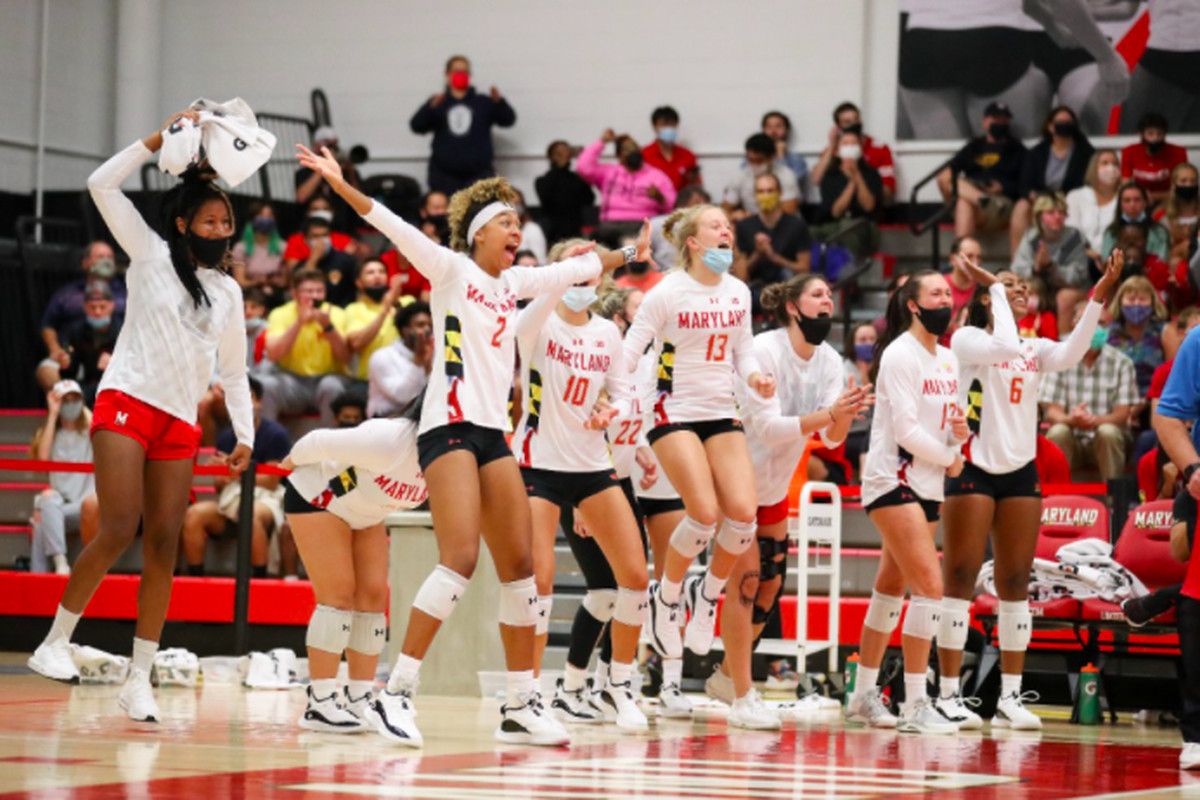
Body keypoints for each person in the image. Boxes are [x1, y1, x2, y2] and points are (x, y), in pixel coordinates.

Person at [295, 141, 651, 746]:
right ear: (481, 232)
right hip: (447, 428)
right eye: (508, 222)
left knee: (521, 571)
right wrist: (338, 182)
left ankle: (519, 704)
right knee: (458, 557)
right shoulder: (450, 269)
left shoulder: (513, 283)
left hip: (495, 434)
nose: (518, 229)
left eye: (520, 221)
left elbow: (578, 270)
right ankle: (395, 693)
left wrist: (626, 253)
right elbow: (389, 222)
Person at [26, 109, 255, 724]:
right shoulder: (149, 252)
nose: (220, 228)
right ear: (184, 223)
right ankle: (54, 642)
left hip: (179, 422)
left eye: (226, 221)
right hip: (125, 400)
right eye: (209, 219)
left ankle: (139, 678)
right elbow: (102, 184)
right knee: (119, 525)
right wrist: (156, 141)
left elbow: (233, 373)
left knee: (163, 545)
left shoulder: (229, 293)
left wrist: (245, 433)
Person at [936, 256, 1119, 731]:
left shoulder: (1031, 348)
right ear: (985, 297)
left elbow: (1073, 352)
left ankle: (1011, 699)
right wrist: (995, 286)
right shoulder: (968, 340)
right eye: (1008, 286)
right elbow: (1001, 344)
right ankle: (949, 695)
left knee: (1016, 582)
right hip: (973, 465)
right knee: (959, 576)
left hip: (1020, 472)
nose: (1018, 290)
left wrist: (1098, 296)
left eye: (1020, 286)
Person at [621, 203, 776, 726]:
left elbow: (744, 351)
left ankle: (704, 594)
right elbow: (629, 351)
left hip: (719, 408)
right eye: (716, 225)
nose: (727, 230)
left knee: (743, 513)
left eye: (729, 225)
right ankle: (667, 597)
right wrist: (620, 404)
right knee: (704, 512)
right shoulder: (666, 292)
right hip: (672, 409)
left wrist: (755, 379)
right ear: (691, 241)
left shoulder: (738, 292)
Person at [712, 275, 871, 728]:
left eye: (829, 294)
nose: (828, 300)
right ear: (794, 309)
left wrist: (843, 416)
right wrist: (831, 413)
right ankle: (743, 693)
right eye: (817, 294)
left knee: (770, 586)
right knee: (744, 585)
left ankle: (727, 675)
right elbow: (768, 428)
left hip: (775, 485)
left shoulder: (830, 362)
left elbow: (829, 435)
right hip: (736, 475)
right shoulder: (764, 351)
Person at [513, 245, 650, 732]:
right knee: (539, 581)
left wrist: (609, 410)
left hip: (592, 463)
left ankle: (618, 685)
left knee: (634, 575)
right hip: (537, 463)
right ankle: (527, 695)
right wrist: (620, 253)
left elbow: (624, 390)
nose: (582, 273)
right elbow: (523, 323)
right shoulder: (537, 321)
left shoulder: (607, 332)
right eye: (574, 263)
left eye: (588, 265)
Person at [846, 269, 966, 734]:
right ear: (914, 305)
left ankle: (862, 695)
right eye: (935, 293)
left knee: (889, 590)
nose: (946, 300)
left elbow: (950, 422)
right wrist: (952, 461)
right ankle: (917, 704)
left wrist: (959, 436)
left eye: (948, 293)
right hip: (892, 478)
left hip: (928, 480)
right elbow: (905, 431)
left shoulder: (949, 359)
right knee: (930, 588)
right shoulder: (899, 354)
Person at [279, 412, 428, 740]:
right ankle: (319, 702)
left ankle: (359, 697)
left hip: (366, 512)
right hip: (319, 497)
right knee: (339, 595)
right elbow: (317, 441)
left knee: (375, 595)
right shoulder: (392, 440)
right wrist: (291, 461)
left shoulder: (449, 459)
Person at [1150, 310, 1200, 770]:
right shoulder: (1199, 340)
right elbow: (1168, 417)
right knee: (1198, 602)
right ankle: (1197, 731)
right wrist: (1193, 470)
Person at [181, 376, 291, 577]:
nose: (240, 403)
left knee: (248, 513)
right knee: (193, 515)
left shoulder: (276, 434)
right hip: (230, 499)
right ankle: (195, 579)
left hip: (266, 500)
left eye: (245, 397)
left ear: (258, 401)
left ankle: (259, 581)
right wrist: (222, 478)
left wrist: (233, 471)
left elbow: (270, 481)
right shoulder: (226, 437)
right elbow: (219, 486)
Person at [1040, 299, 1138, 481]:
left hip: (1105, 441)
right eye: (1087, 321)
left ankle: (1113, 501)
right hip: (1072, 438)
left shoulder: (1122, 363)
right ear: (1073, 324)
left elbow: (1122, 414)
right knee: (1058, 431)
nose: (1093, 328)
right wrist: (1072, 419)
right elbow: (1052, 412)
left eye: (1100, 323)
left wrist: (1094, 420)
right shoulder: (1058, 357)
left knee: (1108, 431)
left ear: (1109, 327)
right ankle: (1055, 501)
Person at [409, 55, 516, 194]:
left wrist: (500, 103)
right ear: (447, 75)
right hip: (444, 176)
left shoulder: (482, 102)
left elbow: (508, 120)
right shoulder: (439, 102)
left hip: (479, 175)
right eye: (456, 71)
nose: (460, 74)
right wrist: (429, 108)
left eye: (464, 71)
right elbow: (416, 126)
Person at [260, 268, 352, 426]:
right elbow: (274, 354)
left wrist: (328, 326)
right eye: (309, 291)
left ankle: (331, 446)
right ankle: (268, 443)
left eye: (319, 291)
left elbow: (346, 357)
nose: (315, 296)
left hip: (326, 378)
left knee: (332, 386)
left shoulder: (336, 313)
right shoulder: (279, 313)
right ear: (294, 294)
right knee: (267, 385)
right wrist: (299, 323)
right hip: (292, 382)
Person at [37, 241, 126, 393]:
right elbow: (48, 324)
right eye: (100, 256)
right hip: (73, 352)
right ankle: (69, 401)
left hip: (115, 356)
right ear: (85, 262)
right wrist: (56, 350)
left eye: (109, 257)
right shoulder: (67, 294)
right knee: (46, 370)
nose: (106, 260)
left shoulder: (126, 293)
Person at [938, 103, 1027, 252]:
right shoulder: (975, 146)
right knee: (944, 177)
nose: (1000, 123)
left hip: (1000, 202)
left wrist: (1002, 187)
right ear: (985, 121)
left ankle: (961, 259)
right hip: (976, 193)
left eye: (1004, 119)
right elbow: (950, 171)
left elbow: (1025, 185)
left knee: (963, 203)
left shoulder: (1017, 149)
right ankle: (981, 199)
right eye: (996, 119)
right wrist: (978, 192)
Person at [29, 381, 97, 575]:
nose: (70, 404)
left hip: (85, 507)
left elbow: (95, 426)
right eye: (64, 400)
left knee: (41, 517)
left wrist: (82, 407)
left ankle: (39, 577)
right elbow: (42, 458)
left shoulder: (89, 433)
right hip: (59, 508)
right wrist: (52, 413)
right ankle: (60, 563)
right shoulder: (52, 434)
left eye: (75, 399)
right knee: (46, 503)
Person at [1012, 106, 1095, 248]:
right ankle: (1018, 261)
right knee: (1021, 207)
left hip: (1069, 200)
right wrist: (1035, 197)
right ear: (1050, 126)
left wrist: (1058, 201)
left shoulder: (1085, 153)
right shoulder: (1036, 153)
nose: (1065, 125)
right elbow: (1024, 185)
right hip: (1040, 200)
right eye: (1060, 122)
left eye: (1068, 122)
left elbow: (1085, 184)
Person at [1012, 193, 1091, 334]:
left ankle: (1063, 344)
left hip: (1072, 290)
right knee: (1024, 292)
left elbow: (1079, 276)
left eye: (1061, 213)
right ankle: (1024, 337)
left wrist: (1051, 266)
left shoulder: (1074, 237)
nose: (1057, 217)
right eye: (1051, 213)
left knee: (1064, 297)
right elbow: (1016, 270)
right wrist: (1035, 268)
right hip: (1042, 290)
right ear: (1039, 216)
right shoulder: (1031, 237)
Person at [576, 129, 676, 240]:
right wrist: (602, 141)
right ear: (619, 156)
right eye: (626, 149)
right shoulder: (609, 172)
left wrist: (660, 198)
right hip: (611, 225)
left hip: (642, 224)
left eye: (634, 147)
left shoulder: (657, 175)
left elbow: (672, 205)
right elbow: (583, 167)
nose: (631, 151)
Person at [733, 172, 813, 306]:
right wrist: (758, 254)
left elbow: (804, 268)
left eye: (770, 191)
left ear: (780, 193)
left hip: (787, 288)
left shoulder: (796, 225)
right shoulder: (744, 226)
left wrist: (775, 258)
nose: (765, 195)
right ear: (755, 195)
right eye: (761, 191)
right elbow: (741, 274)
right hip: (754, 291)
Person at [814, 128, 883, 260]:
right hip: (834, 224)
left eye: (854, 143)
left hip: (863, 225)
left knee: (848, 227)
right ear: (838, 150)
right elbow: (835, 211)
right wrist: (851, 183)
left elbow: (869, 206)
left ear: (860, 149)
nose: (850, 147)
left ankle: (850, 273)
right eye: (845, 143)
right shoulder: (830, 175)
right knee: (810, 233)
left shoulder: (871, 173)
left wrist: (857, 175)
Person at [811, 102, 897, 205]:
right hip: (839, 206)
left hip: (871, 207)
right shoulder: (833, 150)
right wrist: (832, 145)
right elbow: (816, 180)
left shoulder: (879, 148)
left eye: (856, 119)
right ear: (838, 126)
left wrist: (865, 185)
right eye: (847, 122)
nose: (854, 124)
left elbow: (888, 191)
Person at [344, 260, 406, 391]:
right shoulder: (354, 309)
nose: (377, 276)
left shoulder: (407, 302)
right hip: (368, 382)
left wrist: (395, 304)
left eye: (382, 272)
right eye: (370, 273)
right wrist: (384, 310)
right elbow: (356, 344)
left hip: (404, 377)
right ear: (359, 283)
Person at [57, 281, 122, 403]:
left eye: (102, 307)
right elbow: (70, 374)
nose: (97, 312)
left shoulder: (124, 330)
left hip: (119, 385)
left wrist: (116, 363)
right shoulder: (76, 331)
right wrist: (65, 364)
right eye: (92, 307)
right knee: (68, 395)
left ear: (111, 306)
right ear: (85, 307)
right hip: (90, 384)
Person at [1106, 275, 1168, 401]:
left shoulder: (1163, 331)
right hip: (1115, 401)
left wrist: (1146, 401)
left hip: (1155, 401)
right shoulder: (1109, 333)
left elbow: (1171, 372)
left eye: (1142, 299)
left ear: (1152, 302)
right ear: (1120, 302)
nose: (1136, 304)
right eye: (1131, 299)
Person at [368, 301, 432, 418]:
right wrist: (418, 360)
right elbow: (403, 397)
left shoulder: (434, 354)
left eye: (430, 326)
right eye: (420, 325)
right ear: (405, 330)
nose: (427, 330)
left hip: (421, 418)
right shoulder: (382, 356)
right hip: (386, 419)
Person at [294, 127, 363, 234]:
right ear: (316, 147)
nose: (333, 150)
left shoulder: (347, 171)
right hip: (313, 228)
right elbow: (301, 197)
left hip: (344, 227)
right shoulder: (304, 172)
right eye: (329, 145)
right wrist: (322, 168)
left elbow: (361, 201)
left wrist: (350, 172)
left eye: (335, 145)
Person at [724, 133, 801, 219]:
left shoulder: (786, 175)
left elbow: (789, 211)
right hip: (750, 224)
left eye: (759, 160)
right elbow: (726, 208)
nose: (754, 164)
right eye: (750, 160)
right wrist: (733, 215)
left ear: (772, 157)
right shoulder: (740, 176)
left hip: (782, 224)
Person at [1120, 112, 1190, 206]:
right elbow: (1126, 186)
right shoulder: (1129, 151)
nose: (1155, 138)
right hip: (1138, 202)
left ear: (1165, 134)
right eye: (1150, 133)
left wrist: (1151, 196)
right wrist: (1140, 198)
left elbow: (1182, 189)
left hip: (1169, 202)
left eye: (1159, 134)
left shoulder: (1179, 153)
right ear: (1142, 134)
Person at [1066, 149, 1121, 267]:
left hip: (1113, 260)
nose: (1111, 168)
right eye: (1105, 163)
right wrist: (1088, 252)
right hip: (1079, 258)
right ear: (1094, 168)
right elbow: (1070, 231)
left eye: (1115, 164)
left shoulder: (1125, 198)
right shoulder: (1076, 196)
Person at [535, 140, 596, 244]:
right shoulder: (542, 180)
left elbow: (589, 199)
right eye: (559, 153)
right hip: (553, 230)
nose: (563, 155)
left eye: (566, 151)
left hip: (575, 229)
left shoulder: (576, 178)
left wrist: (582, 162)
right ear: (552, 156)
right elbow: (546, 199)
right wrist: (559, 167)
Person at [297, 214, 359, 307]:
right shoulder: (302, 265)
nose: (321, 240)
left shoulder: (346, 260)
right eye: (316, 236)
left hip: (342, 313)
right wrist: (314, 259)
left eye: (325, 235)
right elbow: (301, 287)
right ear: (306, 240)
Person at [1101, 181, 1171, 262]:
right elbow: (1106, 261)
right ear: (1120, 204)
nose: (1132, 205)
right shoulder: (1111, 231)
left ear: (1145, 203)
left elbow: (1162, 260)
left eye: (1137, 200)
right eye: (1127, 200)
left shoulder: (1159, 231)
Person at [231, 201, 286, 300]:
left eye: (269, 215)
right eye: (261, 215)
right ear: (252, 219)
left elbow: (285, 280)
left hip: (277, 294)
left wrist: (275, 281)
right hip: (250, 293)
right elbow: (240, 281)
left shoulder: (283, 246)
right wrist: (256, 282)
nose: (266, 219)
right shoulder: (240, 248)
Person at [844, 321, 878, 475]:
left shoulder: (882, 368)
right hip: (850, 434)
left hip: (875, 431)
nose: (868, 343)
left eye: (872, 339)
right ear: (853, 344)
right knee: (872, 438)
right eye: (863, 340)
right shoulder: (843, 372)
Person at [640, 106, 700, 191]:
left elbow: (696, 187)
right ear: (654, 126)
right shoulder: (643, 155)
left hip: (682, 203)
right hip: (653, 203)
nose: (668, 128)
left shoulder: (688, 156)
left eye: (671, 124)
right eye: (663, 124)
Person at [760, 111, 809, 193]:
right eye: (769, 127)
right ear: (763, 130)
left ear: (787, 130)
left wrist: (781, 156)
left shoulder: (797, 160)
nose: (773, 131)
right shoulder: (754, 157)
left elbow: (788, 185)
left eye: (778, 126)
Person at [945, 236, 984, 339]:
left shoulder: (984, 289)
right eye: (969, 256)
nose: (975, 262)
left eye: (978, 257)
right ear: (953, 259)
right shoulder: (939, 285)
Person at [512, 189, 547, 263]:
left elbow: (540, 262)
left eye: (517, 204)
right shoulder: (499, 232)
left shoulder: (532, 229)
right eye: (510, 204)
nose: (515, 208)